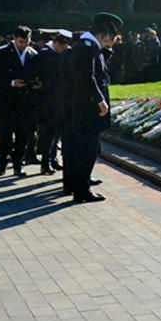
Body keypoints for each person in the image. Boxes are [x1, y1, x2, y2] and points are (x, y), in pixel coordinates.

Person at [61, 12, 121, 203]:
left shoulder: (87, 47)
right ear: (103, 36)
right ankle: (82, 190)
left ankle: (76, 184)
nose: (110, 43)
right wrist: (100, 100)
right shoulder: (87, 48)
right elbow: (88, 78)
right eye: (110, 39)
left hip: (82, 108)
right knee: (87, 149)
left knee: (83, 149)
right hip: (87, 110)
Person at [0, 25, 38, 176]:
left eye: (27, 41)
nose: (24, 45)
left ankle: (18, 163)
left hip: (25, 101)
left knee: (23, 135)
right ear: (14, 39)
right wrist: (10, 83)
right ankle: (3, 162)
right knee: (5, 135)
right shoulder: (1, 53)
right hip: (6, 101)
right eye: (21, 41)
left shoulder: (33, 54)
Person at [32, 30, 70, 175]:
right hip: (46, 101)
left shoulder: (61, 54)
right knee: (47, 134)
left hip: (59, 100)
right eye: (63, 46)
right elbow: (35, 76)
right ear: (57, 43)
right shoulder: (43, 55)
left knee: (56, 132)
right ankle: (45, 162)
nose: (64, 50)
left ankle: (53, 159)